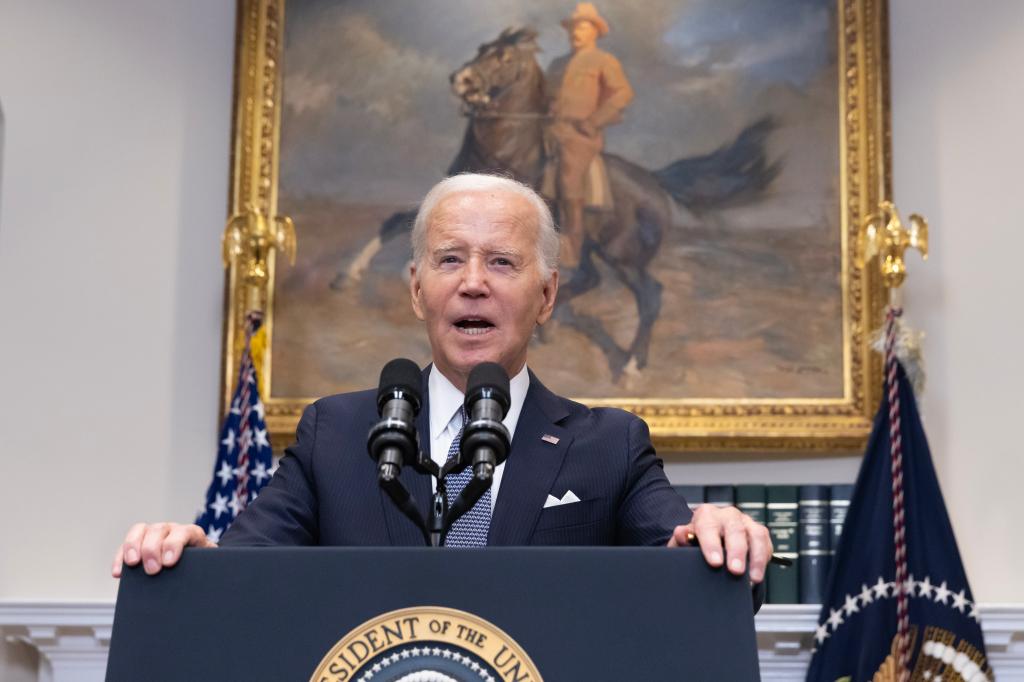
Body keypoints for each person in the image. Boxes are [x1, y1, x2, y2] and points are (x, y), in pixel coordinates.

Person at [112, 173, 772, 583]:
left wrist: (715, 536)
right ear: (417, 289)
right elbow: (239, 579)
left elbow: (687, 569)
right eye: (450, 259)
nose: (474, 283)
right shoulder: (336, 434)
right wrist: (191, 557)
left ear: (546, 298)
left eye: (503, 263)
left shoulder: (611, 445)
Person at [544, 2, 633, 269]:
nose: (575, 32)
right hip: (550, 130)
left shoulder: (604, 61)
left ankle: (572, 244)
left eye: (582, 26)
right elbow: (546, 97)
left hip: (580, 135)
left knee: (569, 176)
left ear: (595, 31)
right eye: (573, 27)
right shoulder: (557, 64)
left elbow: (623, 94)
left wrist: (595, 121)